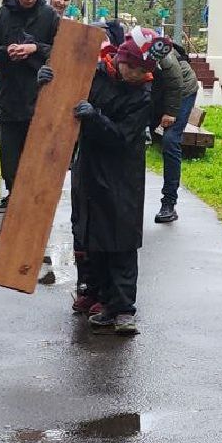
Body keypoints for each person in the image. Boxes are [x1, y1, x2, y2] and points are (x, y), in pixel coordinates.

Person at [40, 35, 154, 335]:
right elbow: (63, 100)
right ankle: (104, 301)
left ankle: (124, 307)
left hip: (122, 174)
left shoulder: (141, 95)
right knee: (93, 236)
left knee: (122, 239)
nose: (138, 76)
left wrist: (95, 118)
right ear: (123, 60)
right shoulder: (96, 74)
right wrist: (47, 80)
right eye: (135, 69)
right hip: (89, 168)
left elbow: (121, 138)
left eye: (143, 72)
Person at [0, 0, 59, 212]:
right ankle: (13, 193)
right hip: (9, 91)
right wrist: (7, 51)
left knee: (35, 148)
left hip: (38, 92)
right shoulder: (4, 14)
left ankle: (34, 194)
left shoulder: (48, 16)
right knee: (9, 149)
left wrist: (34, 49)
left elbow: (60, 50)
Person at [146, 31, 200, 224]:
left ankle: (168, 203)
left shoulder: (161, 52)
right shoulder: (126, 52)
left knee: (170, 140)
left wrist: (170, 113)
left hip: (182, 90)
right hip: (159, 92)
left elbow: (176, 83)